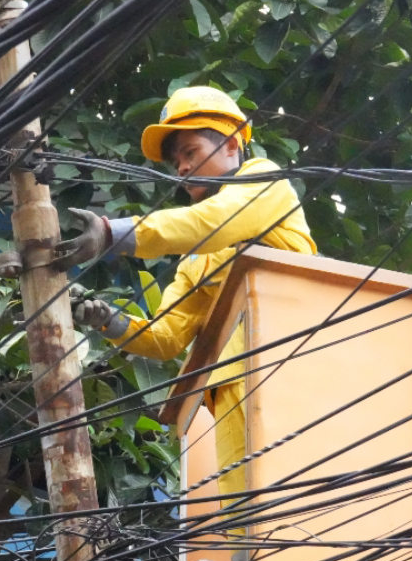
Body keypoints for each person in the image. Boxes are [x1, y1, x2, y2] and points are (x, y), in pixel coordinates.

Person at [55, 85, 317, 513]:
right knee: (244, 506)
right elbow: (167, 337)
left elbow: (210, 221)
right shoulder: (199, 258)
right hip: (232, 381)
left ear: (232, 145)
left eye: (191, 152)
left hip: (296, 360)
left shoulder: (265, 180)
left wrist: (110, 233)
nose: (181, 169)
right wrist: (107, 320)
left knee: (293, 495)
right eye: (177, 161)